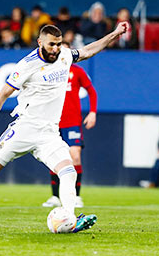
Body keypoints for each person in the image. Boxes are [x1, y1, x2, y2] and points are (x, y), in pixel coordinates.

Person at [0, 23, 128, 233]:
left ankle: (72, 220)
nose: (55, 49)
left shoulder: (65, 55)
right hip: (24, 129)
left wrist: (114, 33)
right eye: (51, 45)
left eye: (58, 44)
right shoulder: (26, 65)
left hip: (49, 134)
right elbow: (1, 95)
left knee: (68, 172)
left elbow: (87, 51)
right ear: (40, 42)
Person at [42, 41, 98, 209]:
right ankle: (54, 196)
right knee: (54, 157)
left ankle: (77, 196)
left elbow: (91, 91)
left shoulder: (77, 71)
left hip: (72, 122)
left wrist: (93, 112)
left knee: (75, 156)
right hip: (53, 122)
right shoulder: (49, 70)